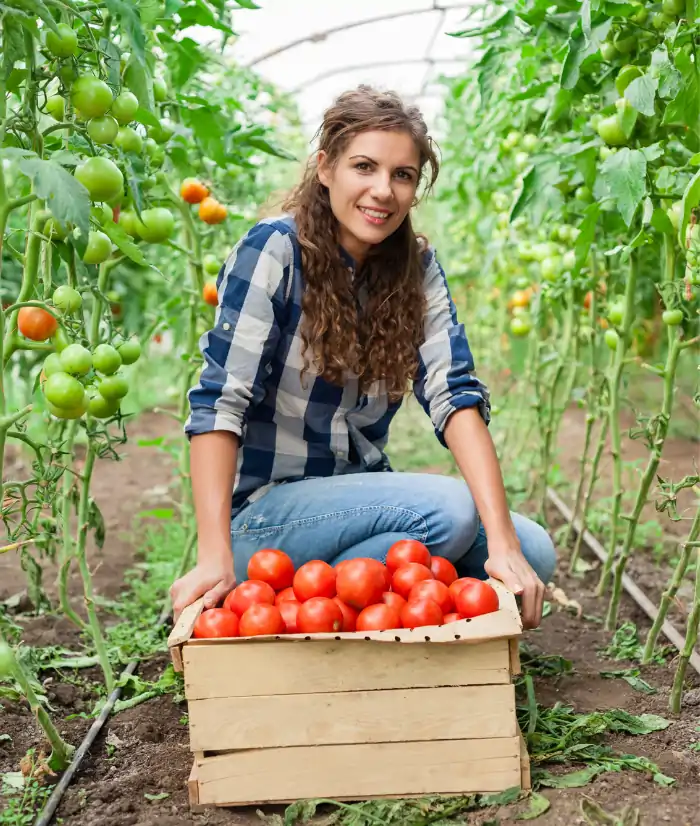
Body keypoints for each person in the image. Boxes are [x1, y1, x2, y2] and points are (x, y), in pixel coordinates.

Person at [169, 86, 555, 629]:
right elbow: (218, 403)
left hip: (353, 506)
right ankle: (275, 591)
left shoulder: (414, 267)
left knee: (533, 551)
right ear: (325, 168)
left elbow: (454, 392)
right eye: (364, 167)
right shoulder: (275, 251)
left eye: (402, 175)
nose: (383, 191)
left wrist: (505, 545)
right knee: (450, 513)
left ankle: (325, 600)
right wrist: (212, 554)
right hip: (265, 519)